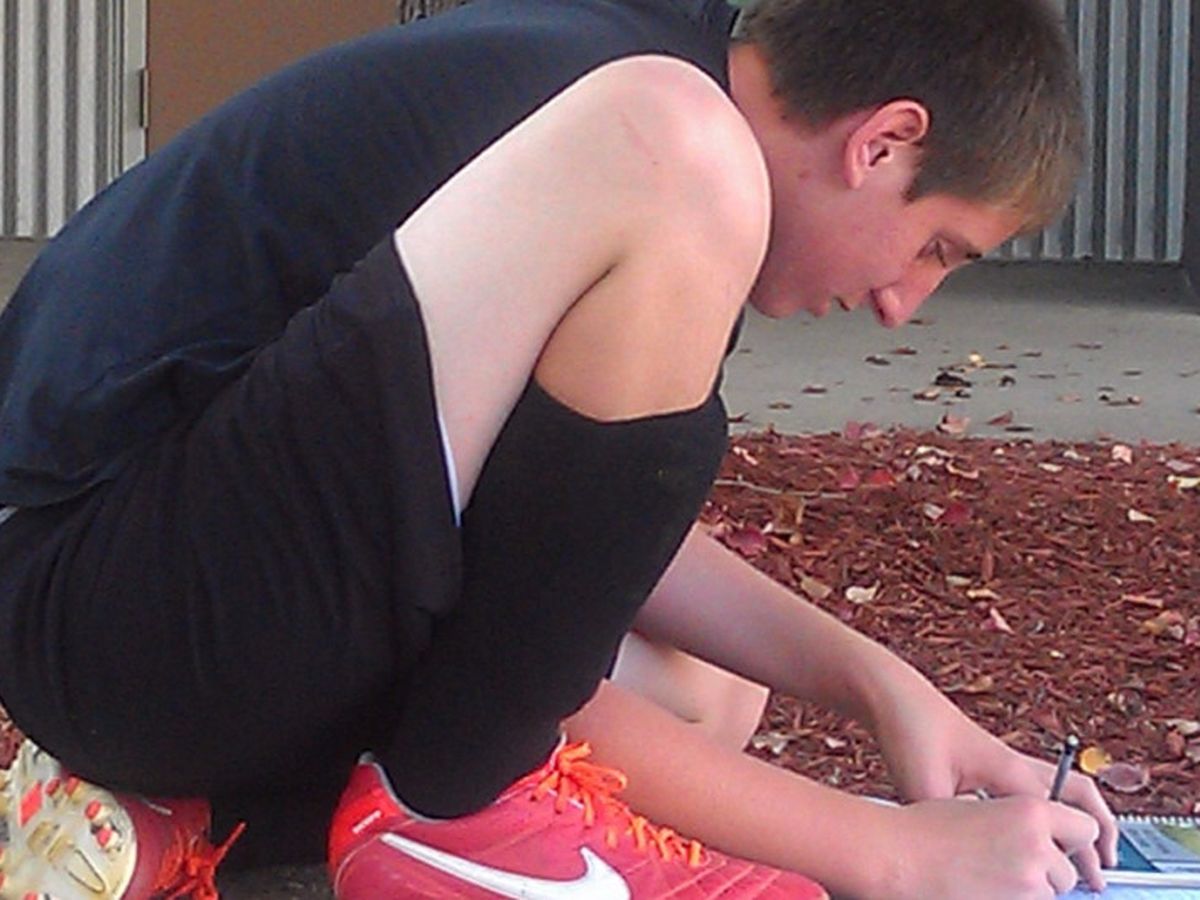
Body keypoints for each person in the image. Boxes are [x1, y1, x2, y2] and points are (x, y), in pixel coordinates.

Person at [0, 0, 1118, 897]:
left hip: (192, 598)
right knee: (674, 146)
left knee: (711, 693)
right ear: (883, 141)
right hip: (107, 601)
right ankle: (455, 817)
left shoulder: (619, 100)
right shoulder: (654, 139)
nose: (902, 304)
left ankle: (205, 815)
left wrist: (882, 688)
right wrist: (888, 855)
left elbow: (546, 556)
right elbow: (523, 637)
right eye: (936, 248)